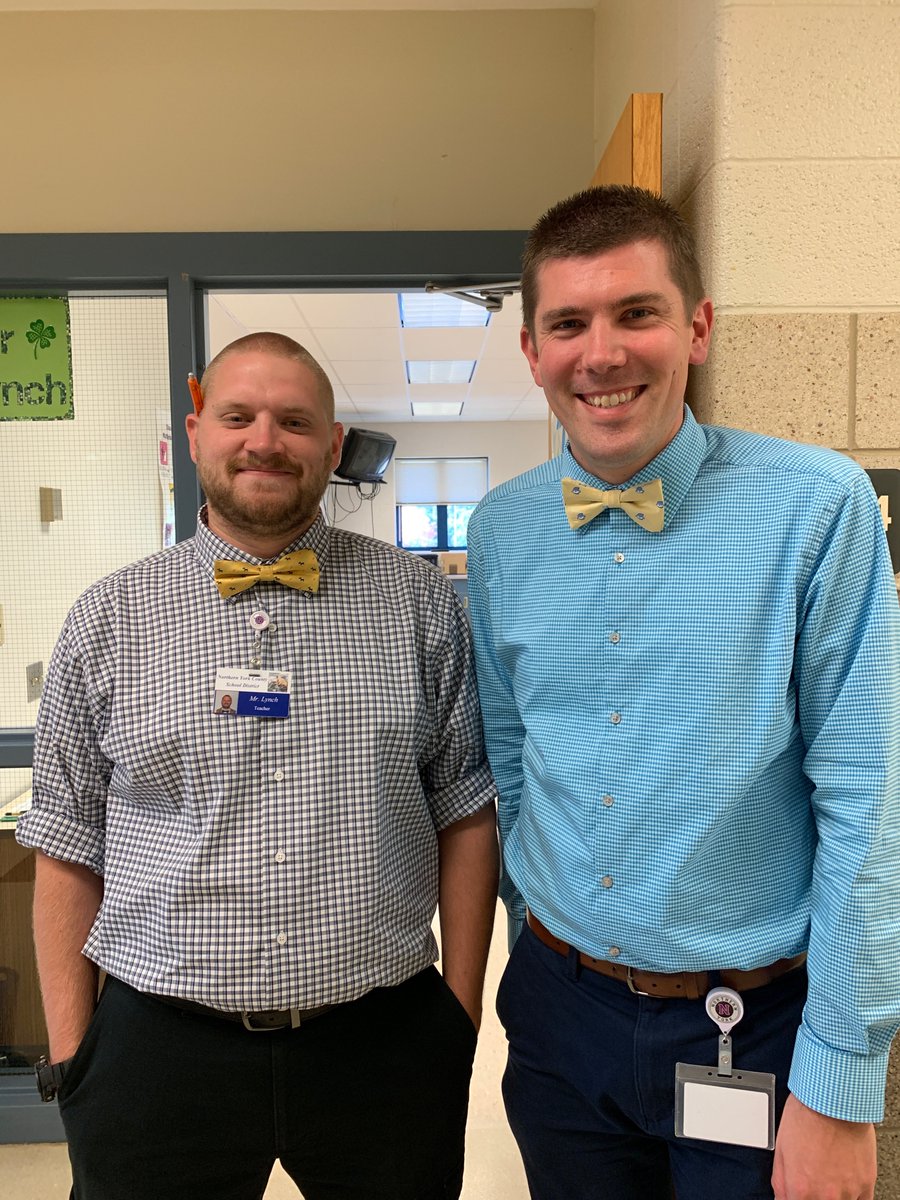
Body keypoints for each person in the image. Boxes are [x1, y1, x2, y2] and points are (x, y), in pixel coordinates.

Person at [466, 185, 900, 1200]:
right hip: (560, 1018)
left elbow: (867, 804)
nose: (601, 353)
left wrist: (842, 1083)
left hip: (757, 1025)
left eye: (637, 313)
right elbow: (512, 757)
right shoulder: (501, 532)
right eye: (568, 323)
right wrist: (540, 940)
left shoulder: (817, 506)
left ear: (696, 327)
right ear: (532, 351)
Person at [18, 331, 499, 1200]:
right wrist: (73, 1054)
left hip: (380, 1046)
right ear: (197, 428)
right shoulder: (110, 618)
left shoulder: (422, 607)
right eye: (238, 416)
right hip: (156, 1050)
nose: (265, 441)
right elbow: (65, 839)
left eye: (294, 421)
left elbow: (464, 811)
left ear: (335, 445)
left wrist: (453, 1022)